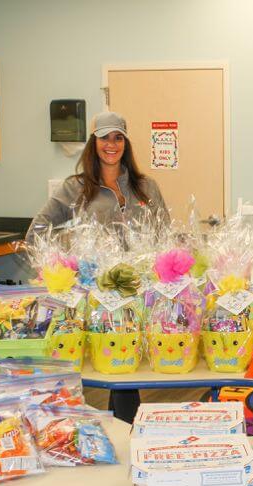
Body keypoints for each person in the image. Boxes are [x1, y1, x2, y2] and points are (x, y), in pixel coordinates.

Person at [27, 111, 170, 424]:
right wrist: (57, 268)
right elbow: (38, 229)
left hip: (138, 290)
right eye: (105, 137)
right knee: (102, 362)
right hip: (96, 295)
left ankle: (126, 430)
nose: (111, 144)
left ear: (126, 143)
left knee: (128, 367)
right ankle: (86, 428)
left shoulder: (146, 186)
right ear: (94, 142)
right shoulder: (75, 188)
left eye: (118, 137)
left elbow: (165, 236)